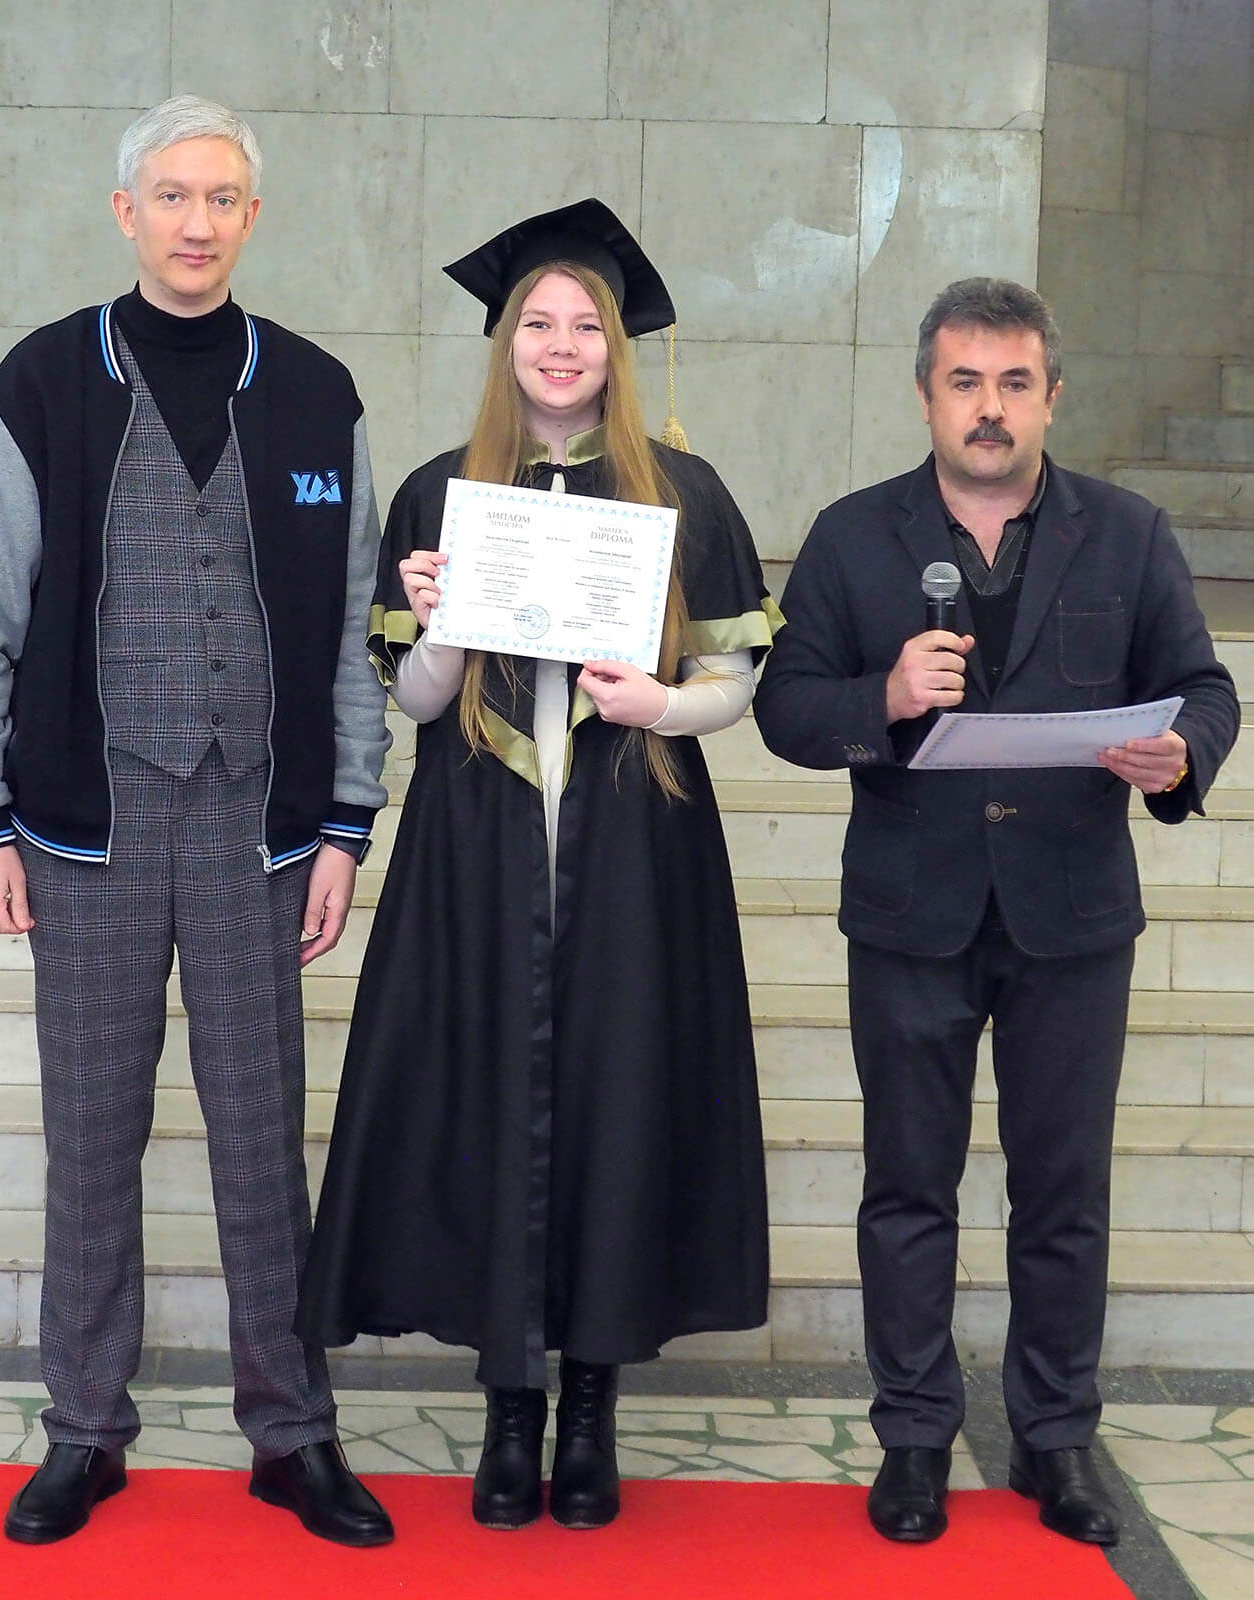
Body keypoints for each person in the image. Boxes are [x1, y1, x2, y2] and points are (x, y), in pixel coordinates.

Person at [0, 95, 394, 1548]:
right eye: (173, 196)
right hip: (89, 824)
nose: (198, 222)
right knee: (91, 1137)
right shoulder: (38, 383)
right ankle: (85, 1430)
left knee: (262, 1144)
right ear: (125, 211)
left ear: (254, 217)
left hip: (261, 825)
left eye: (223, 198)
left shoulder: (317, 395)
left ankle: (292, 1434)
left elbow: (351, 634)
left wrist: (346, 821)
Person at [297, 199, 778, 1531]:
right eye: (538, 324)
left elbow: (736, 676)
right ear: (504, 341)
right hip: (478, 841)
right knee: (481, 1101)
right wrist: (442, 619)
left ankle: (591, 1414)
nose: (561, 346)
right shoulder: (442, 492)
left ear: (617, 347)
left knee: (620, 1107)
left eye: (586, 326)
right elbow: (413, 696)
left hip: (636, 837)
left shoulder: (683, 492)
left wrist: (660, 704)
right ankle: (510, 1411)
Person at [753, 278, 1239, 1548]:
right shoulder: (853, 536)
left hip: (1071, 917)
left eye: (1015, 383)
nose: (990, 407)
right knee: (907, 1187)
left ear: (1051, 397)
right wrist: (884, 693)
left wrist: (1180, 755)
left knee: (1063, 1192)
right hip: (910, 912)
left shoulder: (1126, 533)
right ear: (926, 395)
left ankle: (1055, 1436)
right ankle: (915, 1435)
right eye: (965, 382)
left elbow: (1204, 688)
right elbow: (786, 705)